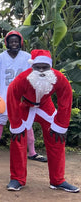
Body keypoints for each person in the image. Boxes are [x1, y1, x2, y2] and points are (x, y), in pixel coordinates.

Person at [6, 49, 79, 193]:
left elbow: (65, 97)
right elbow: (12, 96)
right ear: (32, 66)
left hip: (46, 106)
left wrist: (61, 124)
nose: (41, 70)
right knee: (18, 138)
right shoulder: (23, 79)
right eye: (37, 67)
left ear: (50, 67)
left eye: (44, 67)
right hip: (26, 106)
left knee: (57, 138)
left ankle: (58, 180)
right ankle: (17, 178)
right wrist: (16, 123)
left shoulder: (59, 78)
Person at [0, 31, 46, 162]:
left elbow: (33, 76)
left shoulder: (27, 57)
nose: (14, 43)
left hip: (22, 97)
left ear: (20, 42)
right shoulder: (1, 57)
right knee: (0, 122)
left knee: (27, 123)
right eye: (11, 41)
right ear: (7, 43)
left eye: (16, 41)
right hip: (3, 96)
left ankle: (32, 152)